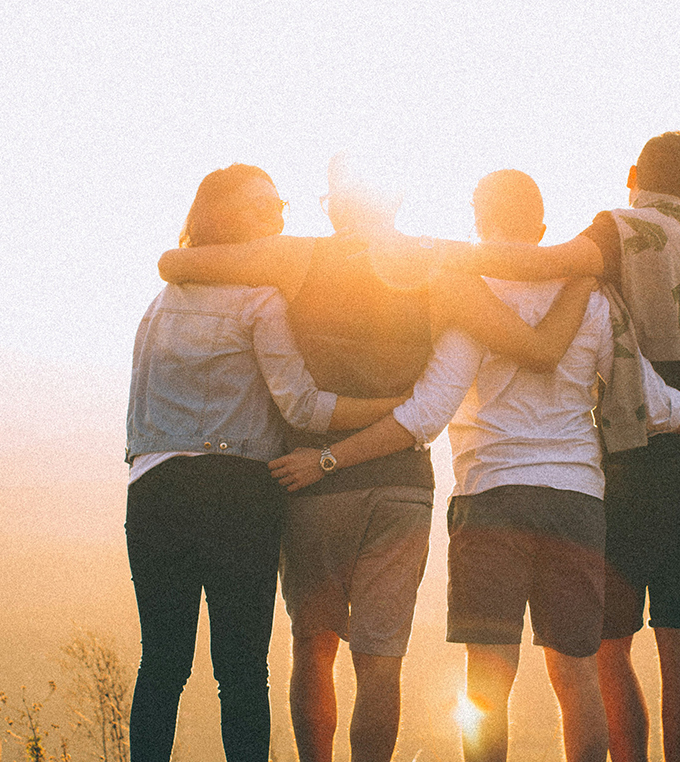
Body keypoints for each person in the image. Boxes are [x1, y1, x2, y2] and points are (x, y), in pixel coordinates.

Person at [268, 169, 680, 762]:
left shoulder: (471, 298)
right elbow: (652, 403)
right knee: (576, 678)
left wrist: (330, 459)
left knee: (487, 683)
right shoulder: (595, 300)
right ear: (543, 226)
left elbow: (425, 415)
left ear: (478, 220)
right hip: (577, 502)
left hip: (489, 501)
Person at [158, 153, 592, 762]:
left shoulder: (297, 256)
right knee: (380, 662)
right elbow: (539, 349)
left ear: (338, 202)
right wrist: (582, 275)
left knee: (313, 648)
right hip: (402, 488)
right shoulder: (438, 269)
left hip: (312, 483)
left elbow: (176, 262)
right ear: (394, 200)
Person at [443, 132, 680, 762]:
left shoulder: (621, 229)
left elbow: (540, 266)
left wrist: (434, 256)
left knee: (606, 646)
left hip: (639, 455)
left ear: (633, 175)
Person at [123, 164, 404, 762]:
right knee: (242, 669)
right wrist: (394, 409)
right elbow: (301, 403)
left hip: (153, 489)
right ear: (228, 217)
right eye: (262, 206)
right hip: (238, 491)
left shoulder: (159, 303)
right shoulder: (261, 299)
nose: (278, 213)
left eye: (279, 201)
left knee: (162, 663)